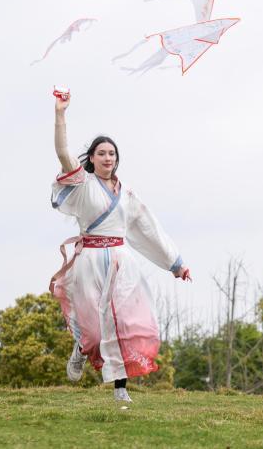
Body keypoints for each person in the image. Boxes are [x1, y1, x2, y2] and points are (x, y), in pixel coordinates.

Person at [49, 92, 191, 403]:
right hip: (89, 261)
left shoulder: (127, 194)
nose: (107, 158)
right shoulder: (82, 183)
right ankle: (81, 347)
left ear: (117, 158)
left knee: (123, 321)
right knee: (94, 331)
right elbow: (62, 151)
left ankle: (120, 387)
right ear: (92, 158)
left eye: (112, 153)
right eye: (101, 153)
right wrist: (60, 113)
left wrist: (175, 263)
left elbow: (149, 229)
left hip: (121, 261)